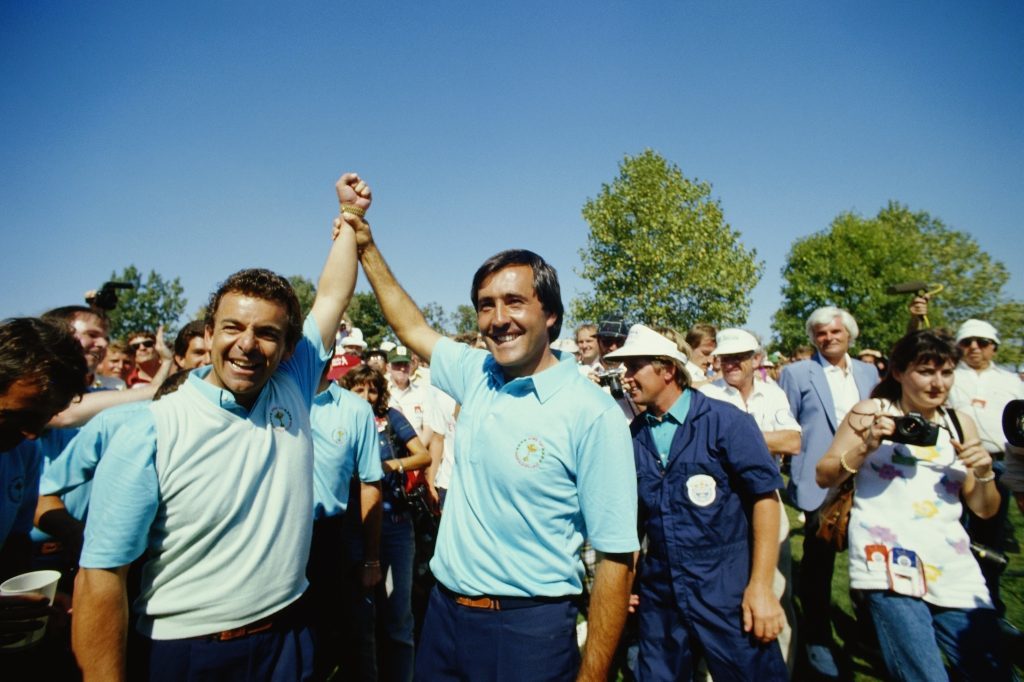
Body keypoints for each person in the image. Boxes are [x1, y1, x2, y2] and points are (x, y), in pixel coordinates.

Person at [71, 171, 367, 681]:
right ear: (208, 335)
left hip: (289, 636)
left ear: (290, 348)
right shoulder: (150, 430)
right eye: (233, 327)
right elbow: (100, 580)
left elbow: (332, 295)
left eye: (267, 333)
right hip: (188, 652)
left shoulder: (292, 386)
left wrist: (352, 218)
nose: (248, 344)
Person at [351, 205, 638, 682]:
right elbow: (411, 326)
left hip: (529, 631)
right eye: (486, 305)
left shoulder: (592, 413)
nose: (498, 318)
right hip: (444, 616)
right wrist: (365, 243)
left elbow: (616, 557)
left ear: (551, 315)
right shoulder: (478, 374)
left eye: (514, 302)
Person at [815, 329, 1010, 680]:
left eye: (947, 372)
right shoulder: (872, 412)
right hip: (887, 563)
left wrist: (982, 472)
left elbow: (983, 509)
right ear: (899, 372)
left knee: (991, 670)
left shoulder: (959, 423)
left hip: (953, 565)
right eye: (925, 371)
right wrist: (866, 446)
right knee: (923, 675)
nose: (938, 384)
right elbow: (824, 474)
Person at [606, 324, 787, 681]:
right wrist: (627, 584)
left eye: (634, 367)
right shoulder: (633, 436)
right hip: (660, 595)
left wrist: (761, 588)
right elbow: (633, 522)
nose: (625, 378)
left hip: (726, 587)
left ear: (668, 369)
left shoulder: (727, 423)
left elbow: (765, 500)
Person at [778, 306, 878, 677]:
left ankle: (869, 630)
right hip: (820, 481)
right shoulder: (796, 372)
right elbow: (786, 422)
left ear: (849, 334)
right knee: (819, 565)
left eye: (835, 332)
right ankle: (818, 638)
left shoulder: (868, 372)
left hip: (866, 478)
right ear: (813, 338)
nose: (829, 338)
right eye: (820, 333)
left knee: (869, 557)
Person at [699, 328, 801, 673]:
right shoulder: (705, 394)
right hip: (721, 508)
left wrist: (734, 437)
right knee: (723, 595)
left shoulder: (772, 394)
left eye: (738, 358)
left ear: (755, 359)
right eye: (725, 358)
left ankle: (780, 668)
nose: (730, 364)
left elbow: (792, 441)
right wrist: (756, 439)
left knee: (776, 590)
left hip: (766, 499)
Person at [0, 318, 88, 662]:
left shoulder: (23, 452)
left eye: (46, 417)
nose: (34, 433)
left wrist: (34, 600)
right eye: (22, 415)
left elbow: (15, 545)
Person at [341, 364, 429, 682]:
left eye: (372, 389)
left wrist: (393, 464)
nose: (366, 396)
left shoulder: (391, 418)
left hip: (394, 526)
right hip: (351, 525)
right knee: (359, 619)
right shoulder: (339, 418)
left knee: (397, 617)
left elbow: (423, 455)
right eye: (359, 389)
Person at [308, 357, 383, 681]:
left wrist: (371, 558)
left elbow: (370, 483)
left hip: (327, 536)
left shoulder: (354, 409)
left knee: (333, 635)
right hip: (273, 536)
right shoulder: (270, 394)